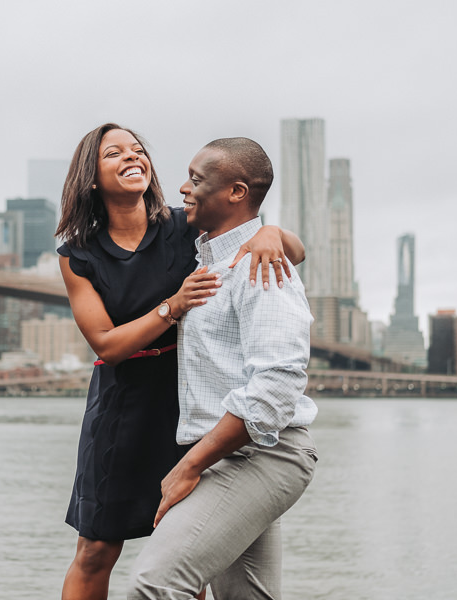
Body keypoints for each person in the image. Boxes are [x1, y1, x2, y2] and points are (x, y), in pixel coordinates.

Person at [56, 124, 305, 600]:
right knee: (96, 548)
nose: (133, 157)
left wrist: (271, 231)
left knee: (187, 547)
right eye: (115, 153)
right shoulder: (79, 253)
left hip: (195, 401)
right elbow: (106, 344)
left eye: (138, 149)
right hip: (124, 403)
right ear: (91, 176)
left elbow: (275, 243)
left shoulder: (183, 224)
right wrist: (173, 305)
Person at [126, 138, 319, 599]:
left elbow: (276, 387)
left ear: (235, 192)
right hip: (227, 455)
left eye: (196, 180)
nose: (183, 189)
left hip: (262, 454)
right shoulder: (208, 259)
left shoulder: (261, 266)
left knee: (153, 586)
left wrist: (190, 465)